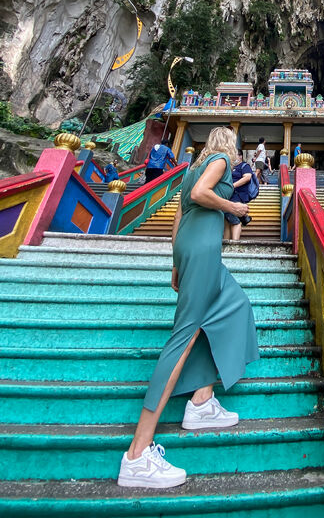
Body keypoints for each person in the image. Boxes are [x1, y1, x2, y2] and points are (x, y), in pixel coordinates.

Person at [117, 127, 259, 489]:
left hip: (190, 248)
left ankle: (201, 400)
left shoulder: (194, 166)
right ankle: (137, 452)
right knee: (183, 337)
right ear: (229, 144)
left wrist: (176, 263)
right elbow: (200, 195)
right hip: (203, 250)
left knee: (236, 307)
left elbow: (180, 212)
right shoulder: (223, 161)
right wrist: (234, 207)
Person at [224, 149, 253, 242]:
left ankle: (234, 243)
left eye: (234, 155)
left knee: (234, 219)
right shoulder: (229, 167)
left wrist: (232, 186)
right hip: (227, 196)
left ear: (240, 156)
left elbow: (247, 177)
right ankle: (226, 243)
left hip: (237, 195)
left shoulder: (244, 166)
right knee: (227, 220)